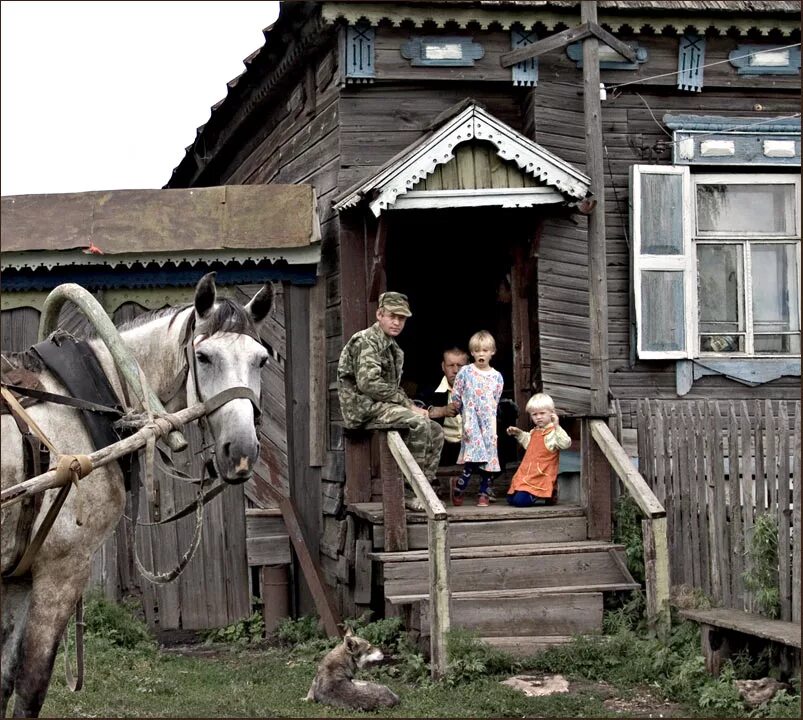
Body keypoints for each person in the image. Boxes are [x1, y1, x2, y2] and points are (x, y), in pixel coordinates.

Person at [337, 291, 444, 511]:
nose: (396, 322)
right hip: (362, 407)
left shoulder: (393, 348)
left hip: (381, 404)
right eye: (392, 316)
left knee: (435, 430)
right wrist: (408, 405)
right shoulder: (366, 340)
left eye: (401, 318)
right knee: (419, 422)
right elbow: (369, 384)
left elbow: (391, 388)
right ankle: (407, 492)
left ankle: (423, 488)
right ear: (379, 314)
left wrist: (409, 404)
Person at [451, 330, 504, 507]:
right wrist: (462, 413)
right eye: (477, 350)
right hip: (471, 421)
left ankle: (483, 492)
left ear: (492, 352)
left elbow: (495, 401)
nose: (481, 354)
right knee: (474, 458)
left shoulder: (496, 377)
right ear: (472, 352)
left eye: (485, 350)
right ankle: (460, 487)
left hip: (488, 423)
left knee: (488, 456)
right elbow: (457, 395)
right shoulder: (465, 372)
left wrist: (492, 423)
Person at [505, 393, 571, 507]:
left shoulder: (553, 432)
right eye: (534, 414)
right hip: (528, 473)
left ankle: (548, 493)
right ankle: (545, 494)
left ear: (552, 413)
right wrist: (518, 433)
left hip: (541, 474)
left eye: (542, 413)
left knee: (520, 502)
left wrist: (557, 426)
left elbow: (565, 443)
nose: (538, 417)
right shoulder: (535, 431)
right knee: (510, 499)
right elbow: (528, 443)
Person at [417, 347, 469, 465]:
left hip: (473, 452)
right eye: (450, 365)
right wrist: (441, 411)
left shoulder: (480, 388)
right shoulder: (430, 389)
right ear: (443, 367)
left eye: (460, 365)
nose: (456, 370)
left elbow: (507, 408)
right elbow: (413, 406)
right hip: (441, 454)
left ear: (469, 367)